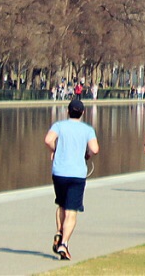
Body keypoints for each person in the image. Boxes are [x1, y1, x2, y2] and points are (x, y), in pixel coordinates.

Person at [44, 97, 99, 261]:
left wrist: (56, 149)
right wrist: (87, 153)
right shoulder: (87, 129)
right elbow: (95, 149)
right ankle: (64, 243)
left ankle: (59, 232)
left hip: (59, 171)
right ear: (82, 113)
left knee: (61, 204)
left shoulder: (59, 126)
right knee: (72, 211)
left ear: (68, 111)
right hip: (77, 174)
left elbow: (48, 140)